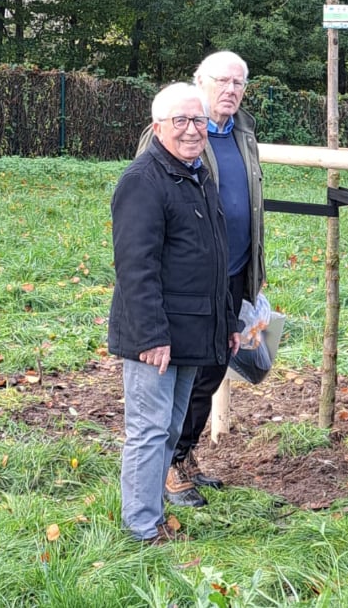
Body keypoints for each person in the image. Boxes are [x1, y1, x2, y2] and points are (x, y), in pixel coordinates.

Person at [109, 82, 240, 543]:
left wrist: (227, 322)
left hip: (193, 330)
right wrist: (150, 336)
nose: (191, 130)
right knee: (148, 430)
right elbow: (135, 267)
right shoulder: (143, 181)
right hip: (158, 337)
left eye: (198, 121)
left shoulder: (197, 173)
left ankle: (152, 513)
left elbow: (214, 257)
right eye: (180, 121)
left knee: (169, 429)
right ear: (157, 126)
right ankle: (142, 528)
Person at [136, 51, 266, 508]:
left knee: (211, 371)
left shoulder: (242, 132)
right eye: (221, 81)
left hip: (230, 275)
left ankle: (184, 454)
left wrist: (253, 275)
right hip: (186, 284)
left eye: (239, 82)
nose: (230, 90)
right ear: (199, 81)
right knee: (183, 377)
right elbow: (151, 205)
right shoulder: (175, 131)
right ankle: (167, 467)